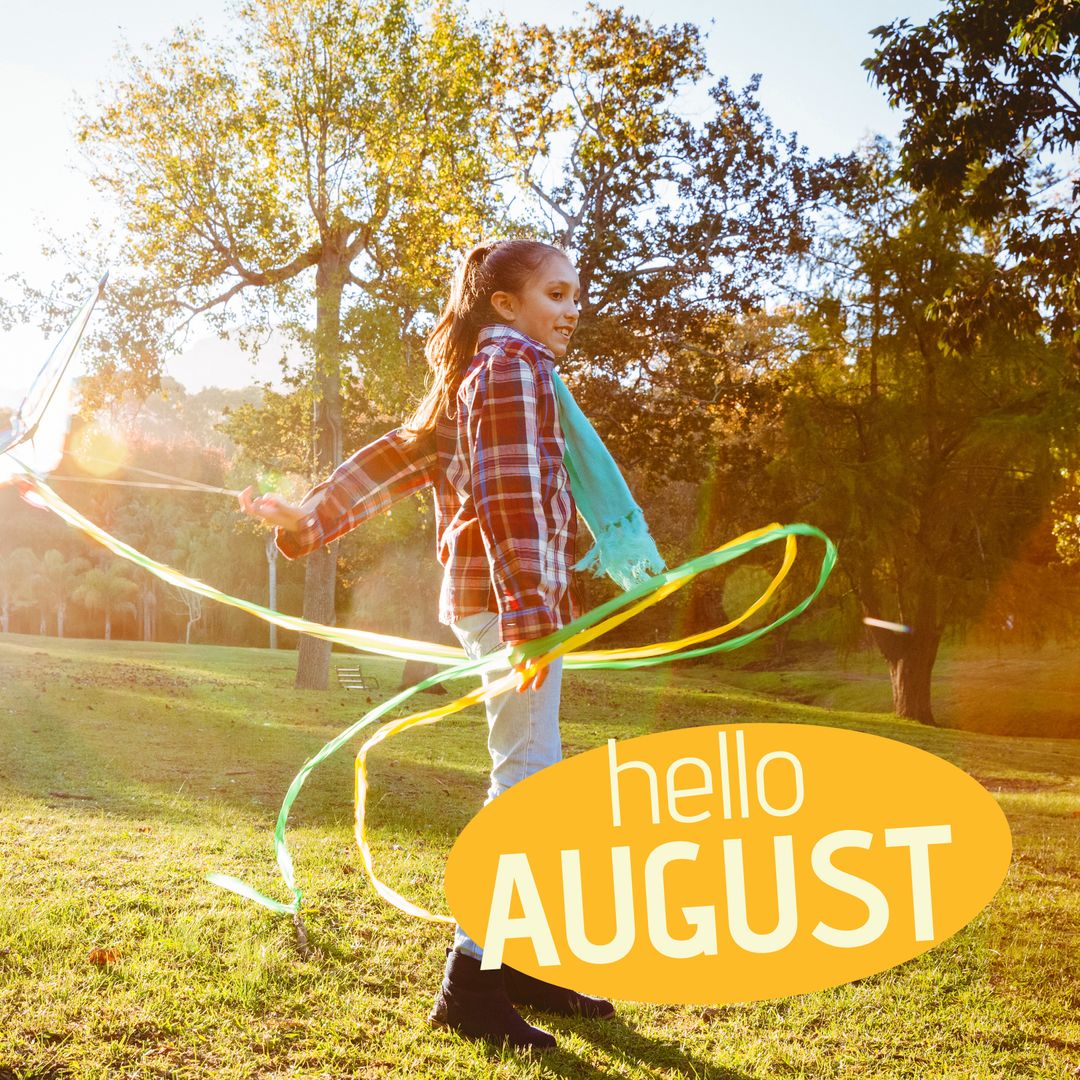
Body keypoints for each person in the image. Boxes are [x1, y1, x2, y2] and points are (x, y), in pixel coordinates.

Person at [238, 238, 617, 1052]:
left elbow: (401, 454)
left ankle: (512, 965)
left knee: (530, 776)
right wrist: (530, 619)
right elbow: (510, 498)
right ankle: (472, 982)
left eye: (575, 295)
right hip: (514, 607)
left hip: (502, 603)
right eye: (556, 294)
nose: (572, 309)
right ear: (506, 305)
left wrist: (309, 515)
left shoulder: (478, 375)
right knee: (525, 784)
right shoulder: (513, 371)